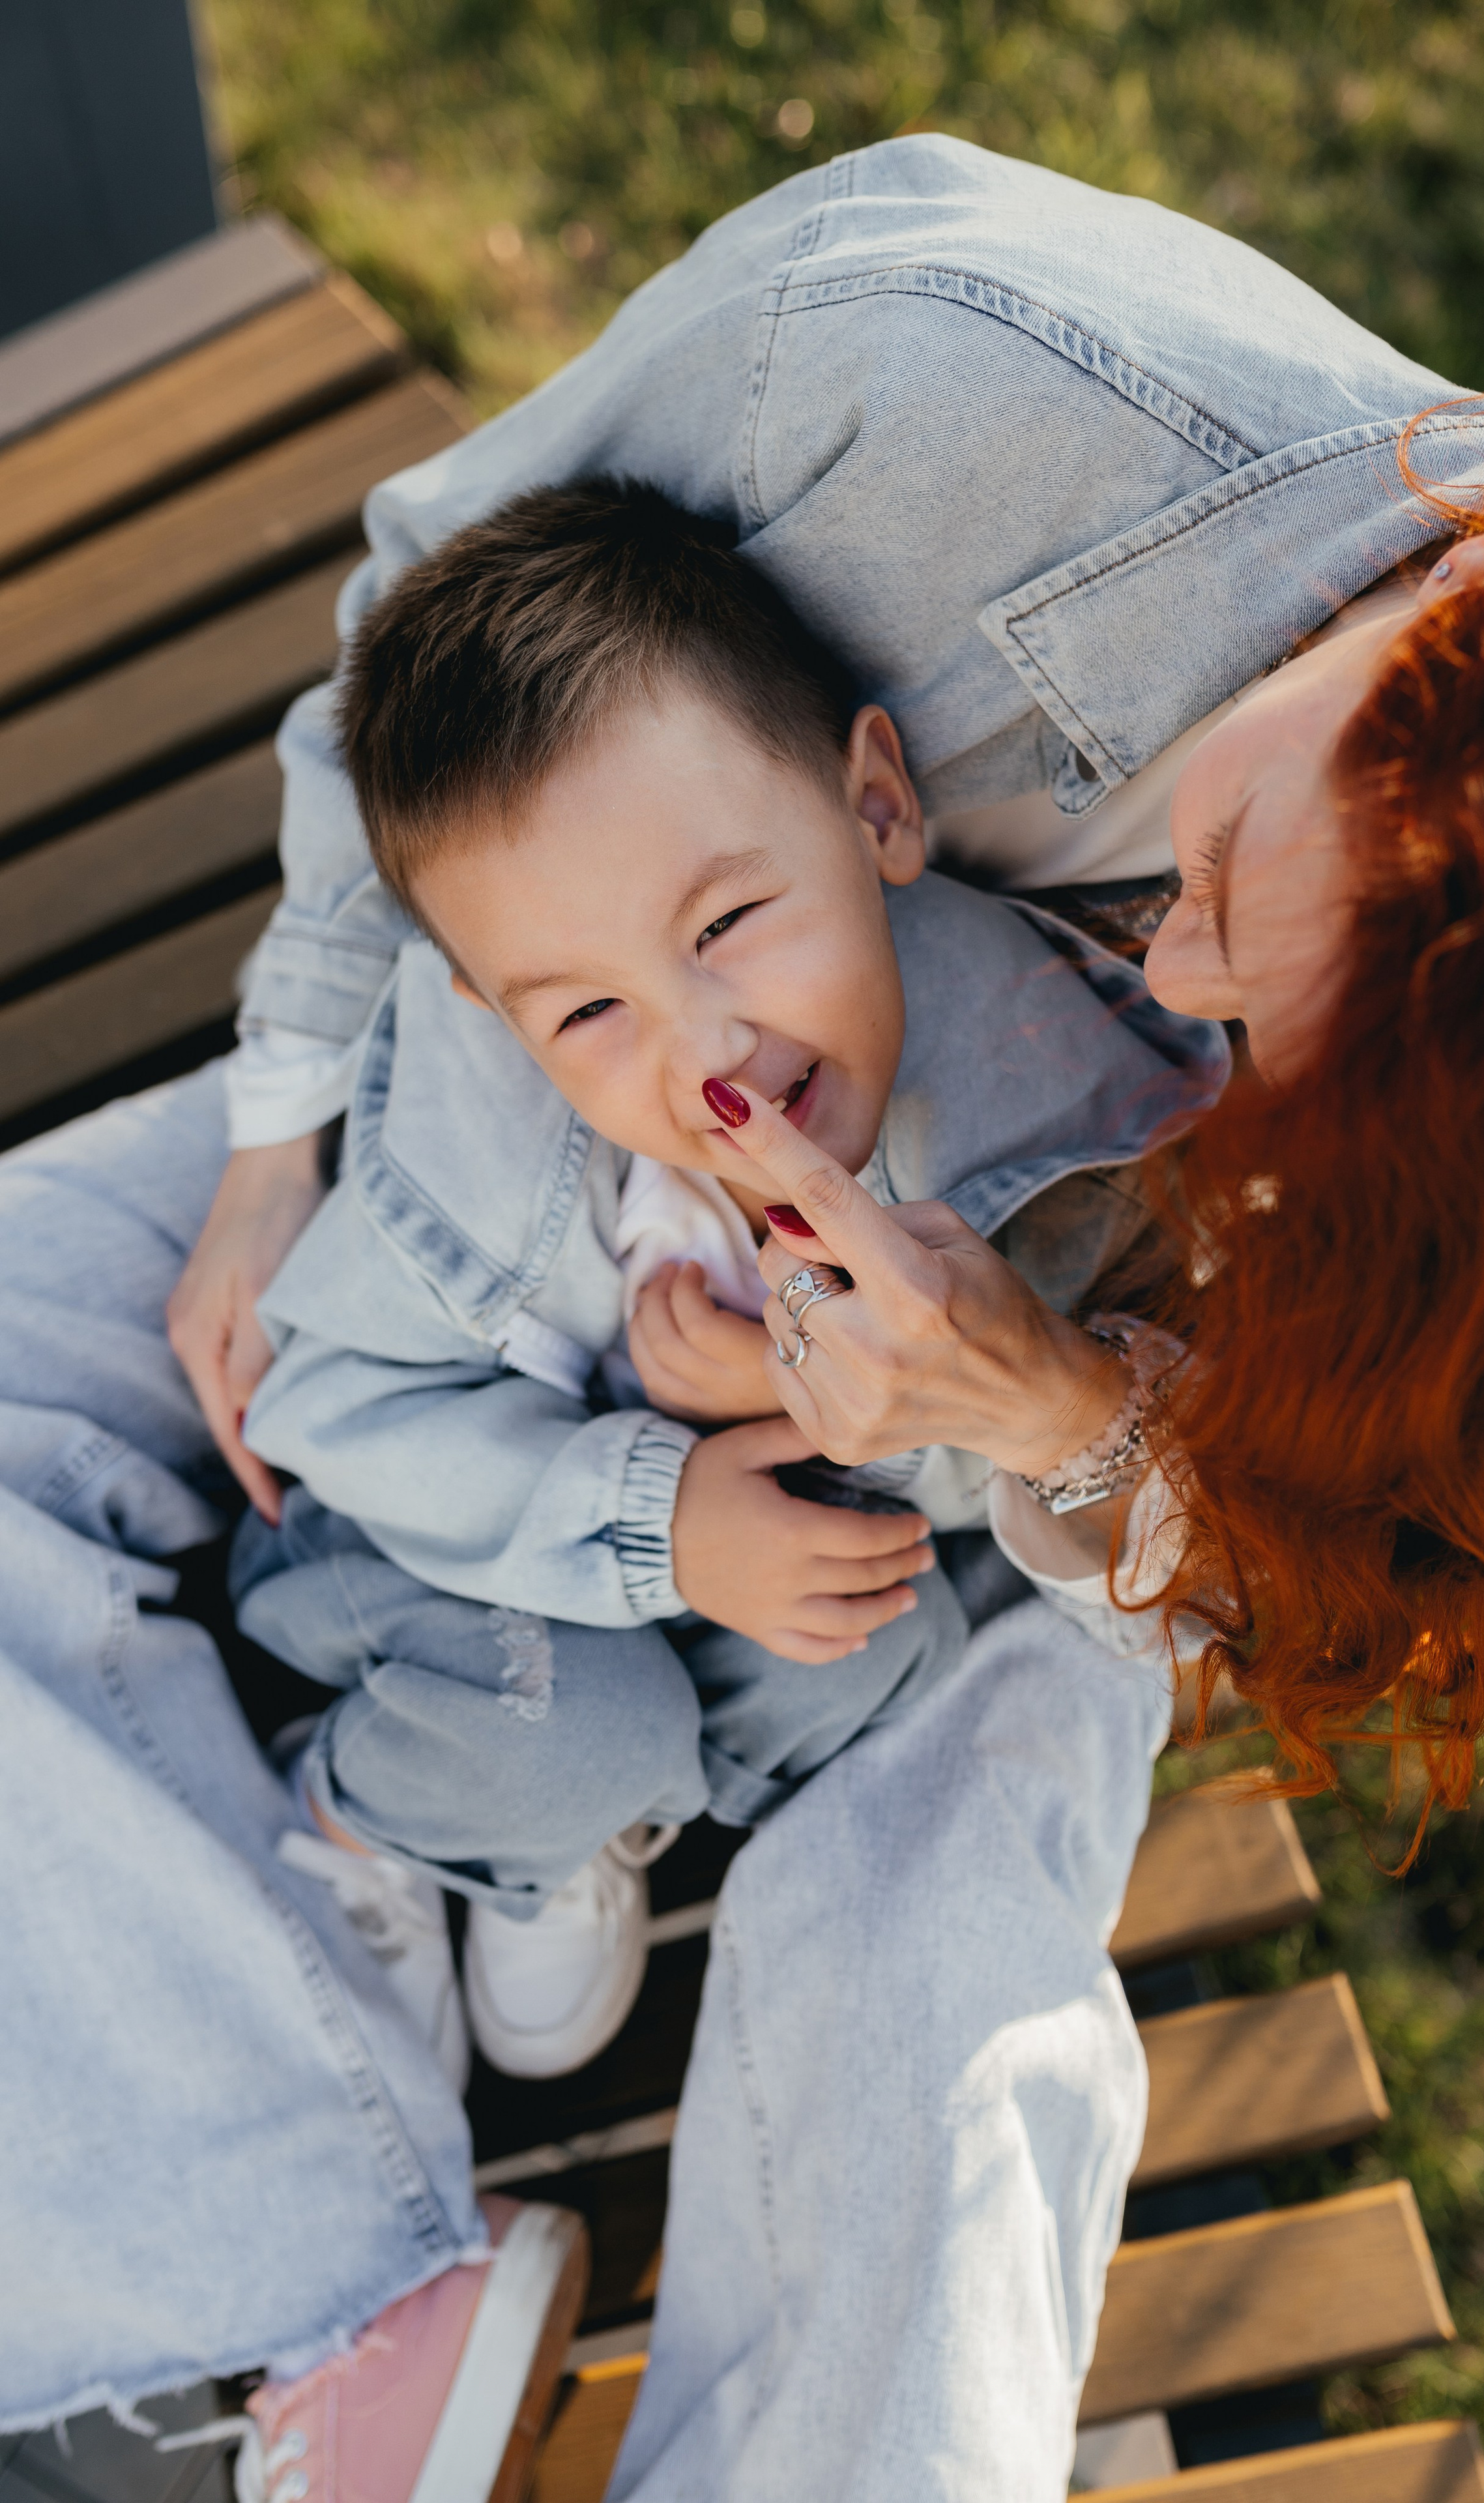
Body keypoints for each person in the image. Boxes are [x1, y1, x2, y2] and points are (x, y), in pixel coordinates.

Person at [1, 131, 1484, 2502]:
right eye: (1245, 878)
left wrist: (1047, 1404)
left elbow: (1282, 1575)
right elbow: (427, 658)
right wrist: (277, 1135)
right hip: (506, 1127)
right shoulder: (931, 369)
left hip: (1010, 1508)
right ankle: (313, 2268)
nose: (1168, 983)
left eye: (1271, 1034)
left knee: (938, 2021)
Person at [227, 475, 1225, 2085]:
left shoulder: (1050, 1115)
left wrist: (798, 1398)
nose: (702, 1054)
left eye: (732, 920)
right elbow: (337, 1412)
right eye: (585, 1013)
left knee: (887, 1645)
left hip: (713, 1590)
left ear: (875, 811)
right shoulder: (486, 1129)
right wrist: (657, 1513)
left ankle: (599, 1805)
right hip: (444, 1535)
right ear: (496, 1017)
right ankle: (366, 1817)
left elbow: (1056, 1469)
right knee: (578, 1730)